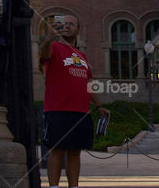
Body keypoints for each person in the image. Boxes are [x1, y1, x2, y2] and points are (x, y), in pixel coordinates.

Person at [39, 15, 109, 188]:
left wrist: (99, 105)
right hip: (58, 109)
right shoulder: (54, 47)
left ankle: (74, 186)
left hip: (81, 111)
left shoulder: (81, 55)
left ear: (78, 30)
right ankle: (54, 186)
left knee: (75, 151)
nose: (68, 27)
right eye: (65, 24)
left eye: (72, 24)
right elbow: (44, 55)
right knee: (57, 149)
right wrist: (48, 39)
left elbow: (88, 83)